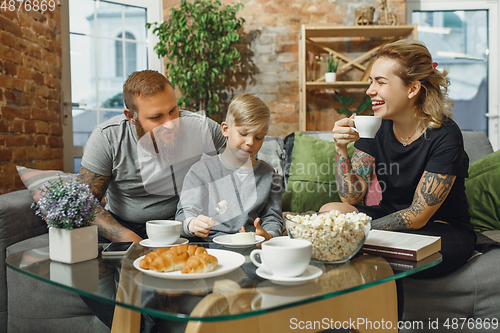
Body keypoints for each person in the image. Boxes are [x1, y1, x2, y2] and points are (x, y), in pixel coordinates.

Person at [322, 39, 476, 279]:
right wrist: (340, 148)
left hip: (441, 229)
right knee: (330, 210)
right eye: (371, 81)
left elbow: (418, 215)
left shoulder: (445, 134)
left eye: (380, 82)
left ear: (412, 89)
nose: (369, 90)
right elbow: (351, 197)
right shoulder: (375, 126)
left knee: (385, 248)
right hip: (388, 217)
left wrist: (359, 231)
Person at [78, 69, 226, 243]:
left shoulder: (202, 128)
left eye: (173, 111)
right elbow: (84, 204)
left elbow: (246, 166)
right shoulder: (107, 138)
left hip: (179, 224)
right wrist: (129, 239)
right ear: (131, 117)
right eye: (156, 117)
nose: (170, 125)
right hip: (123, 226)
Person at [176, 93, 283, 240]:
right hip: (210, 248)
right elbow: (184, 214)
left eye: (259, 137)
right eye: (243, 133)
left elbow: (273, 217)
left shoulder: (268, 174)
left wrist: (268, 235)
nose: (251, 142)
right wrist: (192, 224)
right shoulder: (201, 171)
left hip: (250, 247)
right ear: (225, 130)